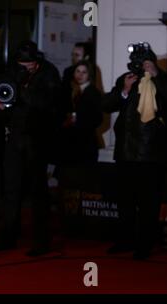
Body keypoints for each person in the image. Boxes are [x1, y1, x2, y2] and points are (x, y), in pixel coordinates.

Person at [0, 41, 62, 256]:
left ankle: (41, 241)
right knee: (11, 189)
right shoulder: (14, 71)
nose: (25, 67)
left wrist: (21, 90)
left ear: (36, 62)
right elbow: (3, 98)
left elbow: (48, 104)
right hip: (15, 137)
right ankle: (7, 236)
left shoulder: (49, 73)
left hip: (38, 138)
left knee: (38, 192)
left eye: (28, 64)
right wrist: (1, 105)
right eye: (21, 64)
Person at [102, 43, 167, 260]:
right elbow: (107, 104)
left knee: (149, 204)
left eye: (144, 61)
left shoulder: (162, 80)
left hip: (151, 153)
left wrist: (155, 76)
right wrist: (124, 91)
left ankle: (144, 245)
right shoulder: (127, 78)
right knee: (125, 201)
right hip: (126, 151)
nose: (140, 65)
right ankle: (125, 240)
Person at [57, 61, 103, 165]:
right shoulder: (73, 90)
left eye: (84, 72)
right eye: (77, 71)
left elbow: (98, 119)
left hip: (85, 144)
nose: (80, 75)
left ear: (89, 75)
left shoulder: (93, 93)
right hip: (73, 143)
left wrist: (78, 120)